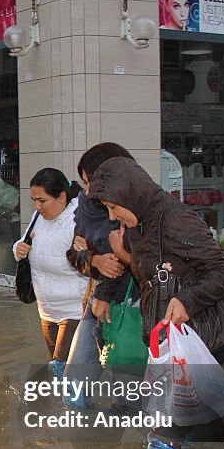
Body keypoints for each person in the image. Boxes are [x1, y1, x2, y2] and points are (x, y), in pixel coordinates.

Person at [87, 156, 224, 449]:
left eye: (114, 207)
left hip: (201, 338)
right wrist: (104, 293)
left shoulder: (175, 220)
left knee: (164, 435)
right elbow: (133, 267)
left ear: (131, 194)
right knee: (177, 422)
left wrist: (187, 300)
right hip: (167, 342)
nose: (113, 217)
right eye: (107, 210)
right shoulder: (138, 224)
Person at [63, 143, 134, 407]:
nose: (88, 190)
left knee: (128, 397)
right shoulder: (85, 205)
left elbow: (130, 259)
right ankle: (84, 443)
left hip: (134, 305)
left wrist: (109, 263)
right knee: (74, 387)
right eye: (84, 183)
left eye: (92, 182)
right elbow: (74, 252)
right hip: (96, 305)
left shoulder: (138, 206)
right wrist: (95, 259)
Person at [13, 168, 89, 377]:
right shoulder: (38, 216)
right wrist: (19, 248)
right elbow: (26, 242)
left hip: (74, 309)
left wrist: (86, 251)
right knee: (59, 369)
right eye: (34, 200)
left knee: (60, 366)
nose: (37, 206)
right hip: (47, 309)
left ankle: (74, 407)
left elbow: (91, 262)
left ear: (62, 196)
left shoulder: (78, 219)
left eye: (42, 200)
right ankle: (67, 405)